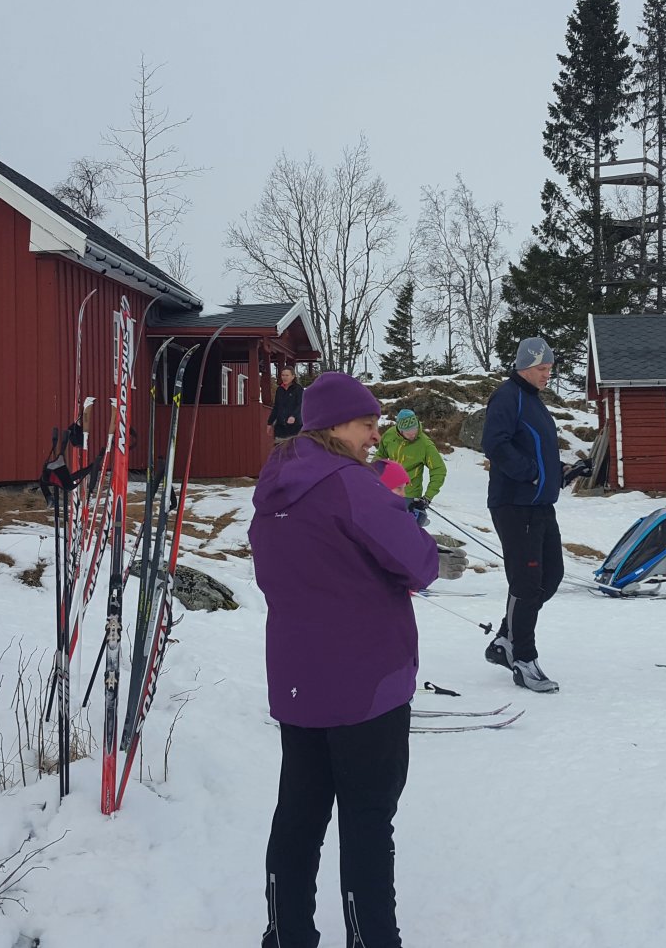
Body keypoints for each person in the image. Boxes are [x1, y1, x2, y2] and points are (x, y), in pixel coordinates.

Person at [249, 371, 468, 948]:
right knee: (368, 821)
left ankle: (286, 934)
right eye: (367, 424)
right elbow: (419, 564)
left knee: (298, 815)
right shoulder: (353, 484)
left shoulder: (272, 488)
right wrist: (398, 511)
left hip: (298, 680)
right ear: (334, 426)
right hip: (366, 682)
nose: (376, 435)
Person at [480, 337, 591, 693]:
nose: (547, 375)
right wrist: (531, 474)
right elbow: (495, 444)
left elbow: (537, 452)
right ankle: (524, 659)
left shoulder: (534, 402)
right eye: (542, 368)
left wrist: (562, 472)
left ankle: (505, 640)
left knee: (551, 576)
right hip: (514, 504)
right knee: (526, 583)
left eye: (550, 369)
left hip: (540, 505)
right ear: (525, 366)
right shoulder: (507, 396)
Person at [374, 408, 447, 523]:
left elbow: (439, 469)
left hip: (409, 495)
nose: (413, 434)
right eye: (409, 432)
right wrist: (372, 475)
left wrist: (427, 497)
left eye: (415, 429)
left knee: (404, 526)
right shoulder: (389, 436)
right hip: (388, 489)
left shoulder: (425, 445)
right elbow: (380, 455)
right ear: (400, 430)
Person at [268, 366, 304, 440]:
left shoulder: (298, 389)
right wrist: (269, 423)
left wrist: (293, 416)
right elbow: (276, 407)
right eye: (283, 375)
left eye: (287, 375)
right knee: (280, 446)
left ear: (293, 376)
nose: (284, 378)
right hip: (280, 427)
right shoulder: (279, 390)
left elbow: (301, 404)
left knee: (293, 445)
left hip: (295, 426)